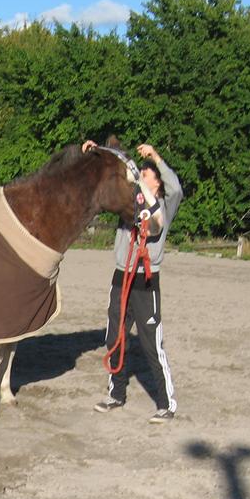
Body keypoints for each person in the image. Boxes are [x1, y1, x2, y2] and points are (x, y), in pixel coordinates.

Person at [83, 140, 183, 423]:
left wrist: (156, 158)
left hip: (145, 281)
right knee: (115, 337)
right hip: (121, 276)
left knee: (151, 343)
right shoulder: (129, 203)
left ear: (157, 184)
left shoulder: (164, 206)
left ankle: (166, 403)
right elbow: (113, 177)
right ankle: (116, 394)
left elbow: (176, 187)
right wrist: (96, 152)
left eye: (148, 175)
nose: (142, 176)